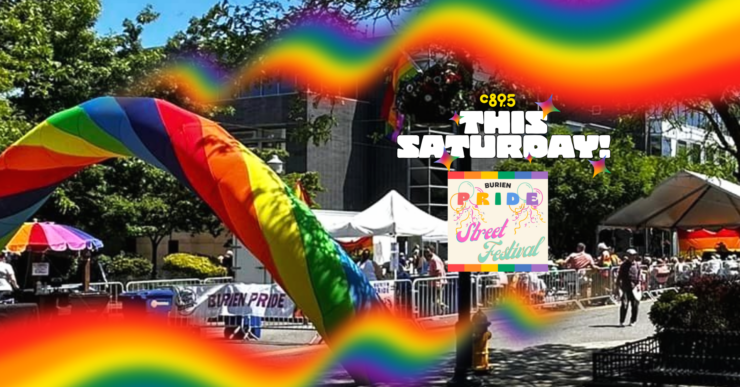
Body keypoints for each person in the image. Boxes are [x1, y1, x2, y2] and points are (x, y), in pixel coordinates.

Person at [616, 249, 642, 327]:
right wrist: (617, 286)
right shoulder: (623, 265)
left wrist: (639, 284)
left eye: (634, 255)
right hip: (625, 287)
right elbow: (619, 276)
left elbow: (639, 275)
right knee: (624, 304)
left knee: (635, 305)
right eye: (631, 255)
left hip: (634, 287)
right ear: (628, 256)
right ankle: (622, 321)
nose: (633, 257)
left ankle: (633, 320)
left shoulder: (637, 265)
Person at [425, 246, 447, 313]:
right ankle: (440, 310)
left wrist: (431, 276)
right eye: (426, 252)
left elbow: (438, 271)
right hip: (435, 282)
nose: (426, 253)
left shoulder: (434, 259)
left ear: (432, 251)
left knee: (436, 299)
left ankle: (443, 308)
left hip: (437, 282)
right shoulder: (432, 259)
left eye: (428, 251)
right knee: (436, 299)